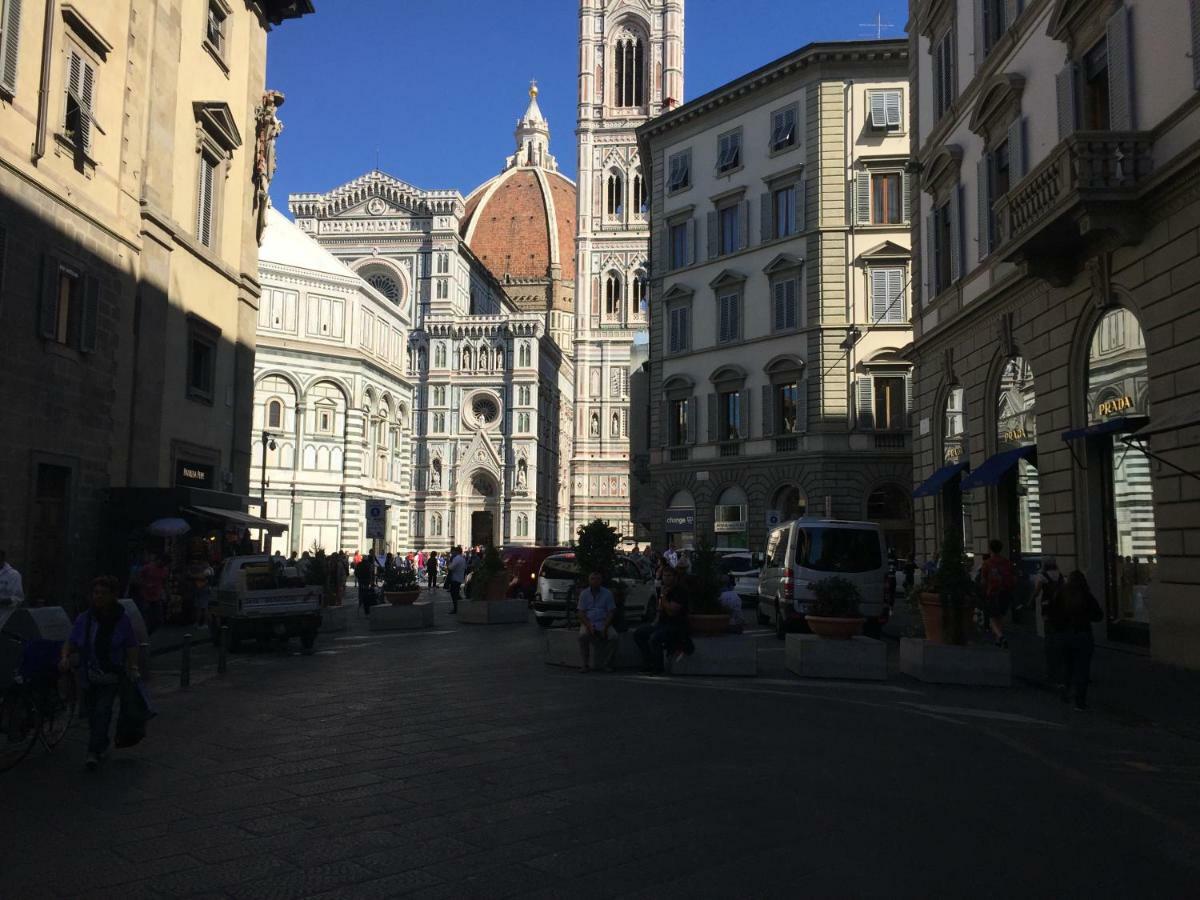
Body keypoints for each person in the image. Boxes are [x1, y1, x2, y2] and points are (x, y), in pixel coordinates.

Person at [60, 576, 141, 771]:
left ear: (113, 596)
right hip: (88, 674)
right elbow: (71, 640)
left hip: (110, 674)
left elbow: (130, 644)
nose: (98, 597)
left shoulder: (121, 619)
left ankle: (93, 752)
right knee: (91, 713)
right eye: (95, 593)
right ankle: (101, 742)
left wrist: (133, 667)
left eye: (103, 593)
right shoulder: (85, 618)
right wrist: (64, 657)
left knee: (102, 710)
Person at [1047, 570, 1103, 710]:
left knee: (1068, 666)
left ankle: (1065, 691)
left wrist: (1057, 630)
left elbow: (1052, 614)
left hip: (1065, 635)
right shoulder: (1086, 595)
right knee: (1083, 669)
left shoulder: (1061, 594)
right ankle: (1080, 701)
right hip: (1083, 634)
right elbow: (1098, 615)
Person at [635, 566, 690, 675]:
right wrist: (655, 621)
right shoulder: (664, 589)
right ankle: (648, 663)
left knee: (655, 638)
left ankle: (658, 667)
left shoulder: (679, 591)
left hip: (675, 625)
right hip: (662, 623)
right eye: (664, 575)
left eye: (669, 576)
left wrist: (663, 597)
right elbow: (660, 609)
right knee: (639, 633)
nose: (666, 578)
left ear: (675, 577)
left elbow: (671, 611)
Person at [1032, 557, 1066, 688]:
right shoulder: (1061, 575)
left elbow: (1036, 591)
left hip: (1047, 609)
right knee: (1059, 639)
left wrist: (1029, 601)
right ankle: (1061, 672)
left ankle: (1052, 673)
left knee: (1050, 642)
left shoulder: (1042, 576)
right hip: (1060, 610)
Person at [577, 571, 617, 672]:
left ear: (601, 580)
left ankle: (607, 664)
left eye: (598, 579)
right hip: (588, 622)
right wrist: (589, 625)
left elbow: (611, 612)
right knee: (582, 636)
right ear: (589, 581)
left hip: (603, 622)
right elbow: (581, 613)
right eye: (593, 579)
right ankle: (585, 664)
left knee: (614, 637)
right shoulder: (584, 594)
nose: (595, 581)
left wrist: (605, 626)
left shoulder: (607, 593)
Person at [980, 539, 1015, 647]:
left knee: (992, 618)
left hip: (992, 593)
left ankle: (1000, 636)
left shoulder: (987, 563)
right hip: (1005, 592)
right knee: (999, 616)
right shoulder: (1007, 562)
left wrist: (983, 592)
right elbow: (1013, 577)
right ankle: (998, 639)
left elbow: (983, 581)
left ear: (990, 549)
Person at [136, 553, 168, 634]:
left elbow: (164, 582)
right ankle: (143, 635)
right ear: (159, 560)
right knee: (146, 617)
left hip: (157, 596)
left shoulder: (165, 570)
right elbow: (138, 578)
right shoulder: (148, 567)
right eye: (163, 562)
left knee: (159, 619)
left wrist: (165, 592)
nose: (163, 564)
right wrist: (145, 584)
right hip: (145, 595)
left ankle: (148, 633)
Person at [447, 546, 466, 613]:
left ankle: (456, 608)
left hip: (455, 578)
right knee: (456, 593)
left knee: (454, 594)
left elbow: (451, 567)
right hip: (460, 577)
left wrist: (448, 564)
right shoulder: (463, 558)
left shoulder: (456, 558)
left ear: (457, 551)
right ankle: (460, 606)